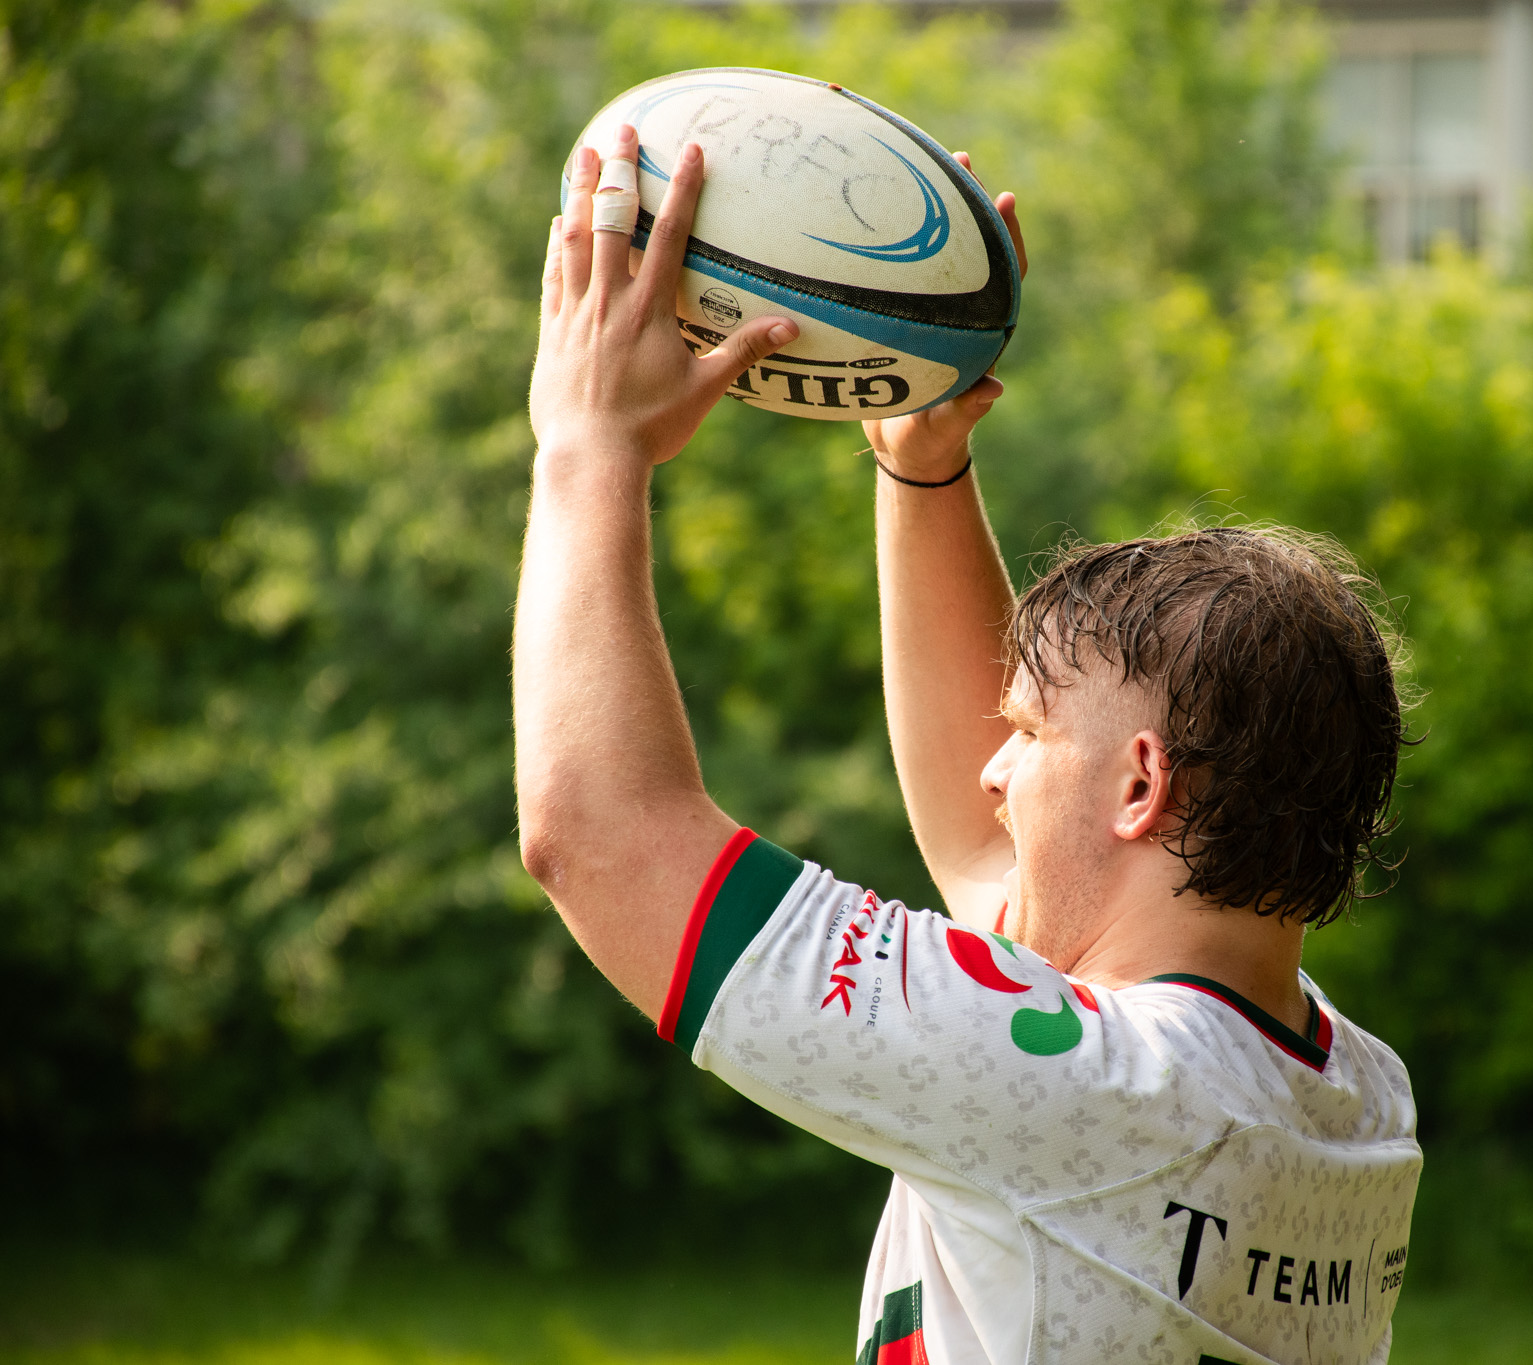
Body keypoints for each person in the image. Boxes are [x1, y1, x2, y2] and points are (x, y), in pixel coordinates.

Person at [518, 123, 1422, 1365]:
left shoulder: (1091, 1096)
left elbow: (603, 839)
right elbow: (1004, 874)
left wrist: (586, 447)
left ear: (1140, 784)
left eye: (1028, 732)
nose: (993, 776)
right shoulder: (1349, 1098)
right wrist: (921, 470)